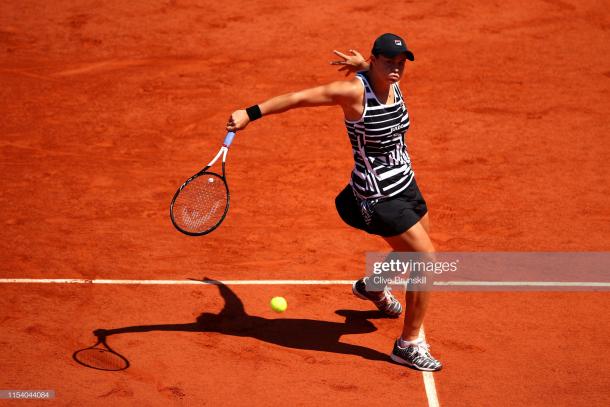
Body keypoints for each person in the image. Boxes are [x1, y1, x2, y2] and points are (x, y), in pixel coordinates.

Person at [226, 33, 442, 372]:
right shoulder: (353, 93)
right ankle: (408, 344)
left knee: (413, 250)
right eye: (389, 62)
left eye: (401, 63)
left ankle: (373, 286)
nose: (397, 69)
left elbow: (384, 78)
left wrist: (373, 68)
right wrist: (250, 113)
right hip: (377, 197)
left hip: (406, 185)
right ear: (375, 59)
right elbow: (299, 98)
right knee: (425, 259)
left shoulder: (390, 80)